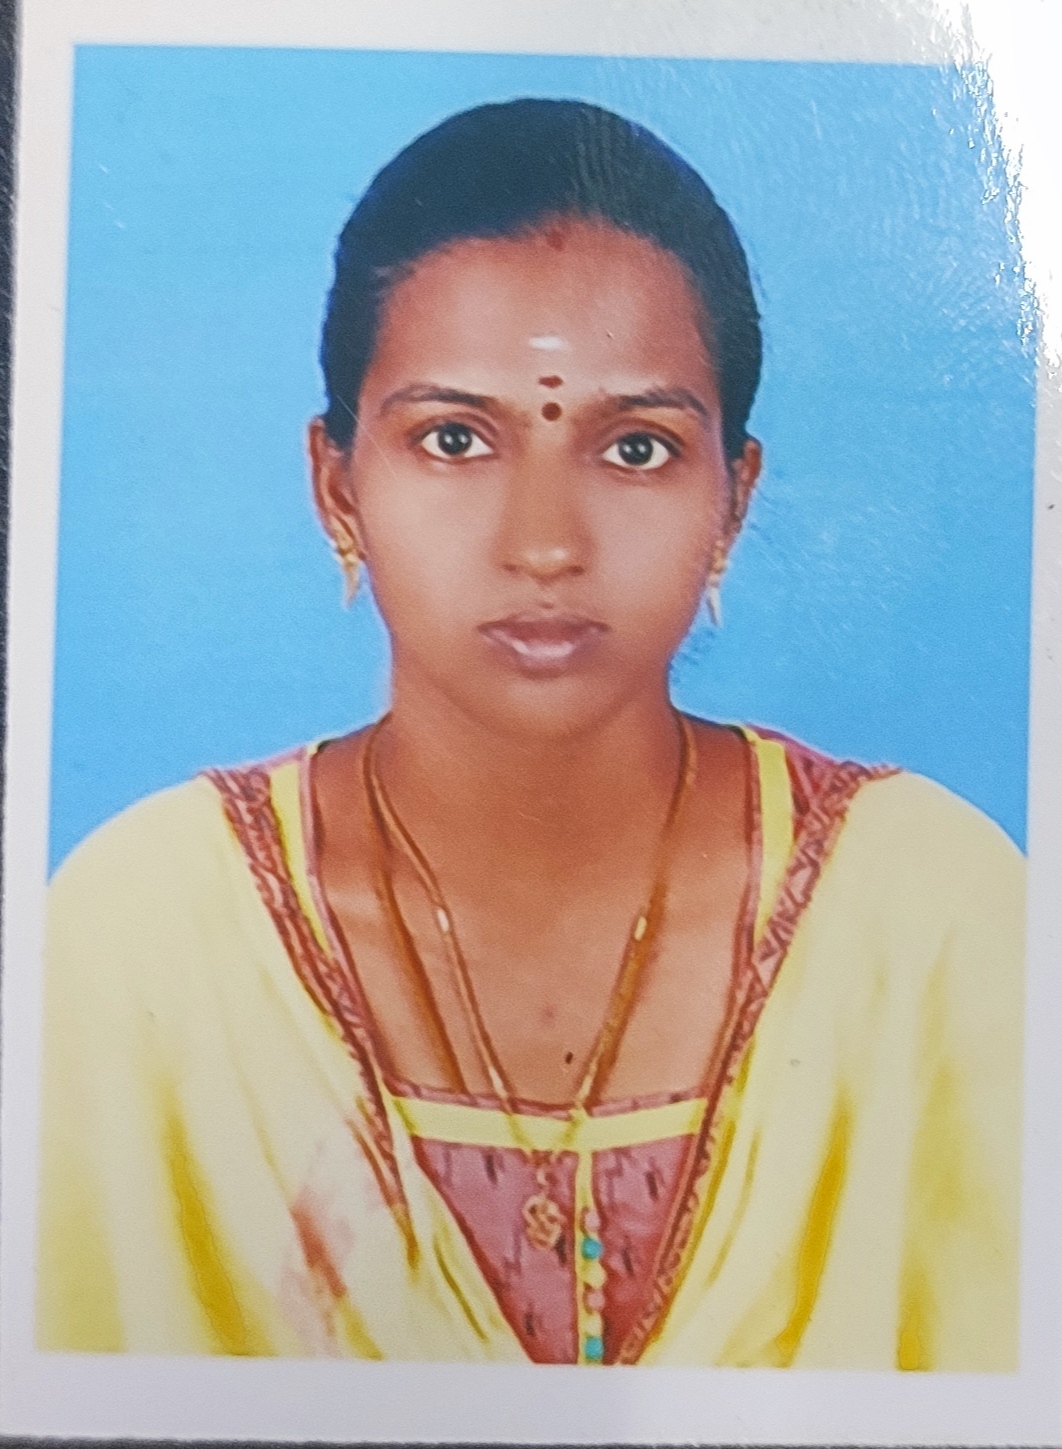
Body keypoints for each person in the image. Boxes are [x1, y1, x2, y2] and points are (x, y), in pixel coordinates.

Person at [38, 99, 1023, 1368]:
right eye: (455, 439)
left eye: (636, 448)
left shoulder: (930, 921)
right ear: (337, 486)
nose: (545, 544)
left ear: (735, 497)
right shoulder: (149, 937)